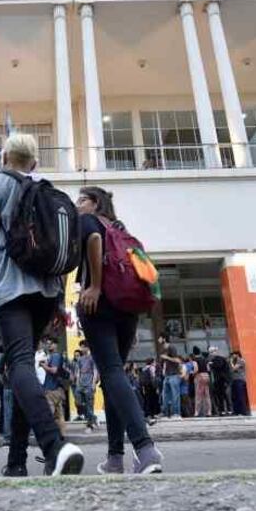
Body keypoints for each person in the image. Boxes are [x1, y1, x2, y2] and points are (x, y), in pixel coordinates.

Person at [0, 132, 83, 477]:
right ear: (34, 163)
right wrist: (58, 300)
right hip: (46, 293)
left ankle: (55, 448)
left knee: (21, 363)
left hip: (12, 289)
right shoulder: (46, 188)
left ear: (3, 157)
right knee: (20, 370)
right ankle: (15, 463)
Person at [75, 185, 163, 474]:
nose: (78, 205)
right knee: (114, 378)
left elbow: (95, 240)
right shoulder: (122, 229)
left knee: (112, 373)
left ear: (95, 202)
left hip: (97, 304)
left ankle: (145, 449)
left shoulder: (90, 221)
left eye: (82, 200)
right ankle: (115, 458)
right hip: (127, 309)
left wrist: (96, 286)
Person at [39, 339, 66, 434]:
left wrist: (43, 366)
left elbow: (54, 370)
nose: (48, 345)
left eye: (50, 344)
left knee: (49, 414)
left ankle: (50, 435)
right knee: (59, 414)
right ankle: (62, 434)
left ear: (55, 345)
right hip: (56, 388)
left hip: (52, 390)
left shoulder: (55, 356)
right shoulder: (53, 356)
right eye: (47, 343)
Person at [74, 348, 99, 431]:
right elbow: (78, 372)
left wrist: (93, 384)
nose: (82, 348)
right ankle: (93, 417)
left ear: (88, 348)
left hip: (89, 385)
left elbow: (95, 371)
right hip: (80, 385)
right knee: (78, 402)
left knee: (89, 405)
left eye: (84, 346)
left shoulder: (92, 358)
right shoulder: (80, 359)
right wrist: (77, 383)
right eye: (81, 346)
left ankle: (90, 425)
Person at [158, 334, 182, 419]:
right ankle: (165, 413)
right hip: (167, 375)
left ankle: (176, 413)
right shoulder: (162, 349)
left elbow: (177, 360)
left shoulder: (171, 347)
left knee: (175, 394)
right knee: (165, 395)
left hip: (174, 374)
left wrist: (167, 357)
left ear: (164, 338)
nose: (158, 339)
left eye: (160, 338)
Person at [208, 347, 232, 416]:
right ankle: (224, 410)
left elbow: (218, 366)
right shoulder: (220, 359)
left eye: (211, 352)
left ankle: (226, 410)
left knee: (224, 396)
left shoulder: (218, 359)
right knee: (222, 396)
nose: (211, 354)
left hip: (222, 380)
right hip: (222, 380)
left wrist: (211, 364)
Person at [230, 351, 250, 416]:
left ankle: (244, 411)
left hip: (240, 380)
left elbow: (234, 368)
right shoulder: (235, 362)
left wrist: (231, 362)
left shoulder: (241, 361)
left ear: (237, 355)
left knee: (241, 396)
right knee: (235, 397)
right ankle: (237, 411)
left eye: (233, 355)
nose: (232, 356)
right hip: (235, 380)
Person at [193, 352, 212, 417]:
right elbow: (209, 369)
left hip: (199, 376)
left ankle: (197, 412)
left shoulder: (195, 360)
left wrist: (193, 374)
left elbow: (196, 369)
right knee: (207, 395)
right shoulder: (206, 360)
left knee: (198, 395)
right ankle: (209, 412)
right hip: (206, 376)